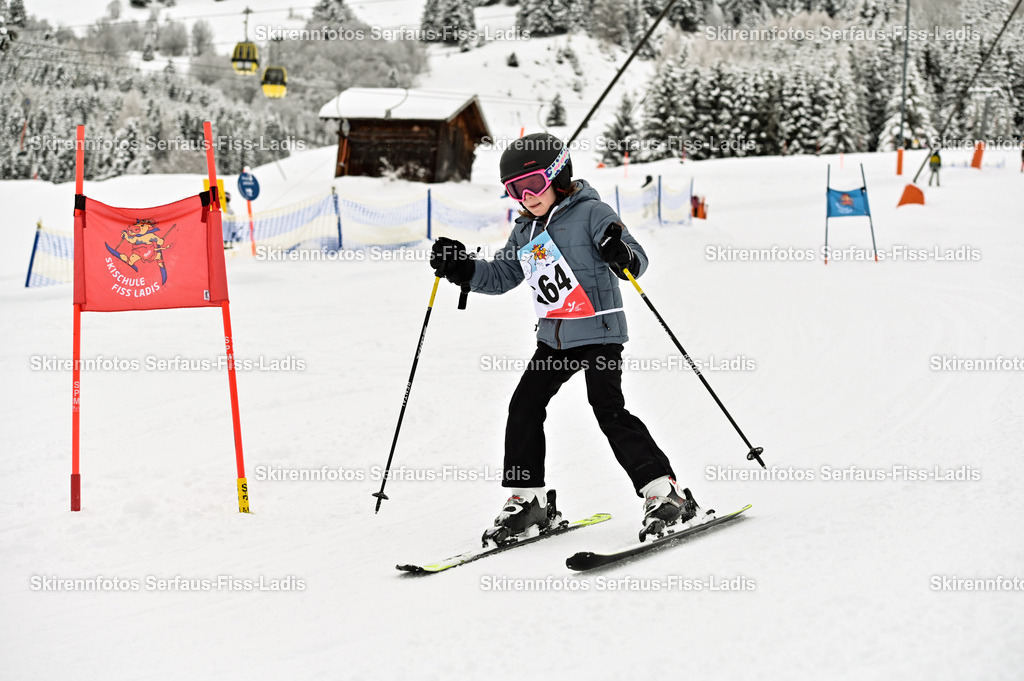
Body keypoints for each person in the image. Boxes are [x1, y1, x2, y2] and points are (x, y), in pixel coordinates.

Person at [429, 133, 702, 544]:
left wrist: (620, 254)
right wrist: (463, 269)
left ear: (558, 175)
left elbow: (636, 258)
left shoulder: (592, 212)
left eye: (533, 185)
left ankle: (665, 493)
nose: (526, 196)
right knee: (524, 407)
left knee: (608, 410)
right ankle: (529, 501)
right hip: (554, 340)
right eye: (514, 190)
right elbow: (503, 276)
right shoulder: (525, 232)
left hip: (600, 334)